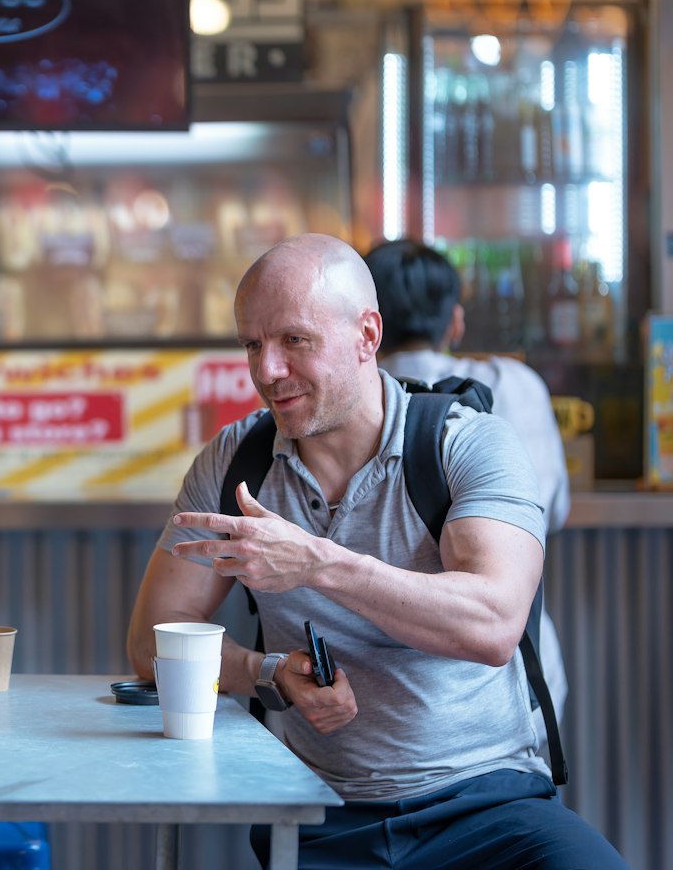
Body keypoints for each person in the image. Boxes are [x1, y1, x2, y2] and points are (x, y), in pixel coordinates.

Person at [126, 234, 625, 869]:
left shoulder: (466, 446)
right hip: (321, 815)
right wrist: (267, 672)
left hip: (491, 806)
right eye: (253, 344)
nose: (267, 370)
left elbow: (494, 623)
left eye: (294, 341)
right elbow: (151, 641)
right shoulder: (235, 464)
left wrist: (316, 563)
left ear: (367, 336)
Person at [364, 238, 569, 745]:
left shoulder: (342, 400)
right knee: (517, 806)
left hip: (367, 680)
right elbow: (554, 509)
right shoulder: (514, 385)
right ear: (455, 321)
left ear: (366, 325)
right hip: (521, 673)